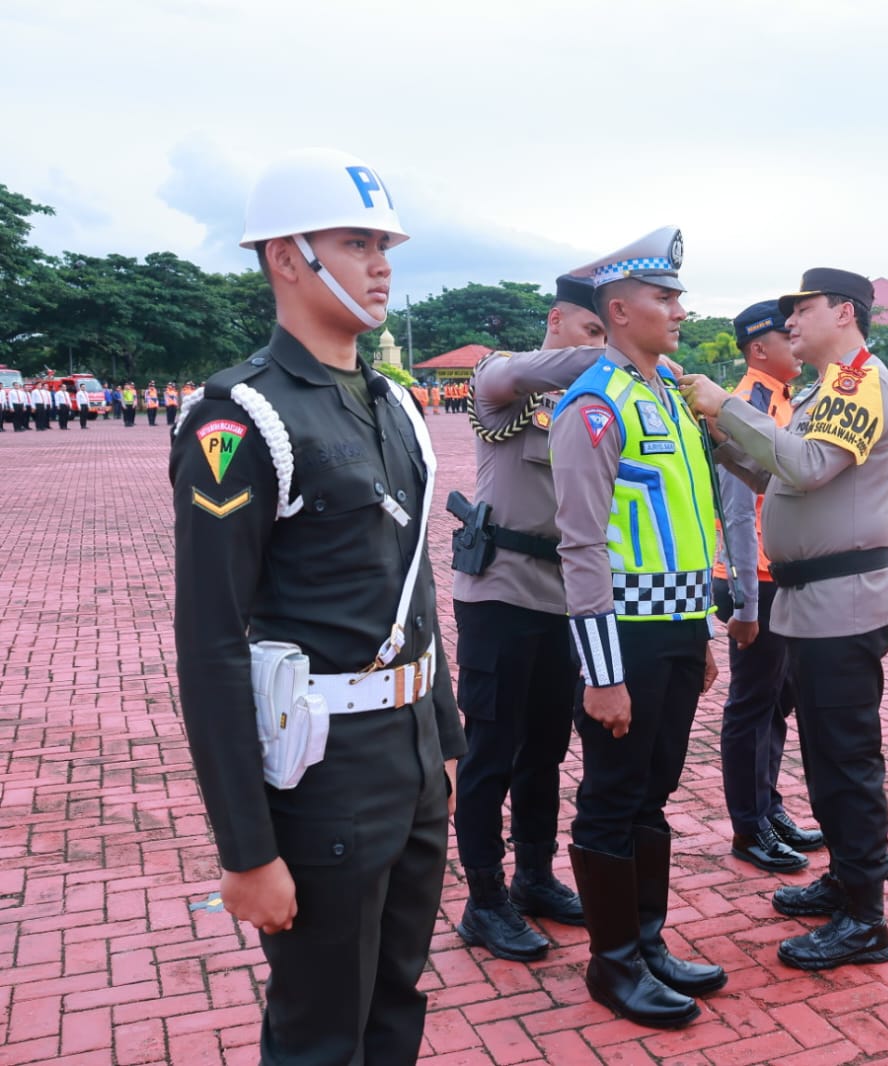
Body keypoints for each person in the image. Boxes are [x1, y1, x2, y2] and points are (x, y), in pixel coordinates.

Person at [170, 147, 464, 1065]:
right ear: (285, 257)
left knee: (395, 1002)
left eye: (384, 242)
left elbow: (413, 585)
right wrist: (245, 850)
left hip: (410, 759)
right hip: (322, 773)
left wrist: (444, 746)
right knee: (319, 1031)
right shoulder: (243, 418)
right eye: (355, 241)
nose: (381, 262)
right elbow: (210, 643)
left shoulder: (392, 404)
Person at [680, 267, 888, 972]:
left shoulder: (859, 382)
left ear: (842, 311)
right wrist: (719, 439)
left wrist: (726, 406)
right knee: (824, 757)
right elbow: (781, 477)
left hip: (844, 602)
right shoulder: (822, 389)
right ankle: (845, 880)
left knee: (846, 761)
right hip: (816, 604)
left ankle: (865, 918)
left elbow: (806, 468)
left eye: (800, 310)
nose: (790, 325)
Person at [548, 227, 725, 1029]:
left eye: (678, 295)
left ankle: (645, 941)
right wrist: (601, 674)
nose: (679, 310)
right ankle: (611, 963)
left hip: (677, 630)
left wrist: (702, 635)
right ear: (619, 311)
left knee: (651, 792)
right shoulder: (595, 405)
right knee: (612, 796)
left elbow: (689, 523)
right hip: (623, 637)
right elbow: (581, 547)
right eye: (664, 298)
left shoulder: (667, 395)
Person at [449, 274, 609, 962]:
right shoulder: (499, 377)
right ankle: (483, 900)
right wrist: (627, 348)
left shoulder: (589, 402)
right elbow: (556, 367)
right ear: (558, 321)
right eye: (596, 330)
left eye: (610, 334)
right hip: (498, 595)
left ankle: (534, 877)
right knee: (489, 752)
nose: (603, 346)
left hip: (559, 596)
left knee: (544, 749)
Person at [715, 300, 824, 876]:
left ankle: (769, 805)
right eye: (788, 336)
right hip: (752, 579)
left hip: (776, 575)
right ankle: (747, 826)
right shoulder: (745, 405)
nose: (797, 342)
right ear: (760, 349)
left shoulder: (783, 400)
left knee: (777, 703)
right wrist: (746, 602)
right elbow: (736, 511)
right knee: (751, 706)